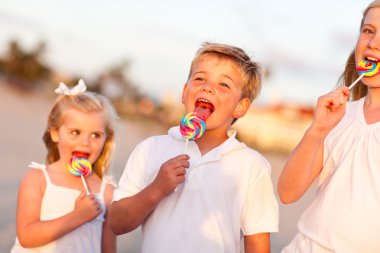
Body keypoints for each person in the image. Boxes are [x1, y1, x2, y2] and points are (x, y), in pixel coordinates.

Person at [109, 42, 279, 253]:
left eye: (224, 84)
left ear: (240, 107)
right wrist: (157, 189)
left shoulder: (251, 166)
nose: (207, 87)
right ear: (184, 91)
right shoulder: (150, 149)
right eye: (200, 78)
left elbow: (258, 246)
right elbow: (116, 223)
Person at [278, 1, 380, 252]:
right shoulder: (341, 116)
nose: (374, 42)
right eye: (368, 31)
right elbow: (287, 193)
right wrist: (317, 131)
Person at [11, 80, 117, 253]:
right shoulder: (38, 179)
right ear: (55, 133)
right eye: (75, 132)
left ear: (106, 139)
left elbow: (109, 249)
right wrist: (78, 216)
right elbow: (26, 237)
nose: (85, 142)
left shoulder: (107, 193)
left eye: (96, 135)